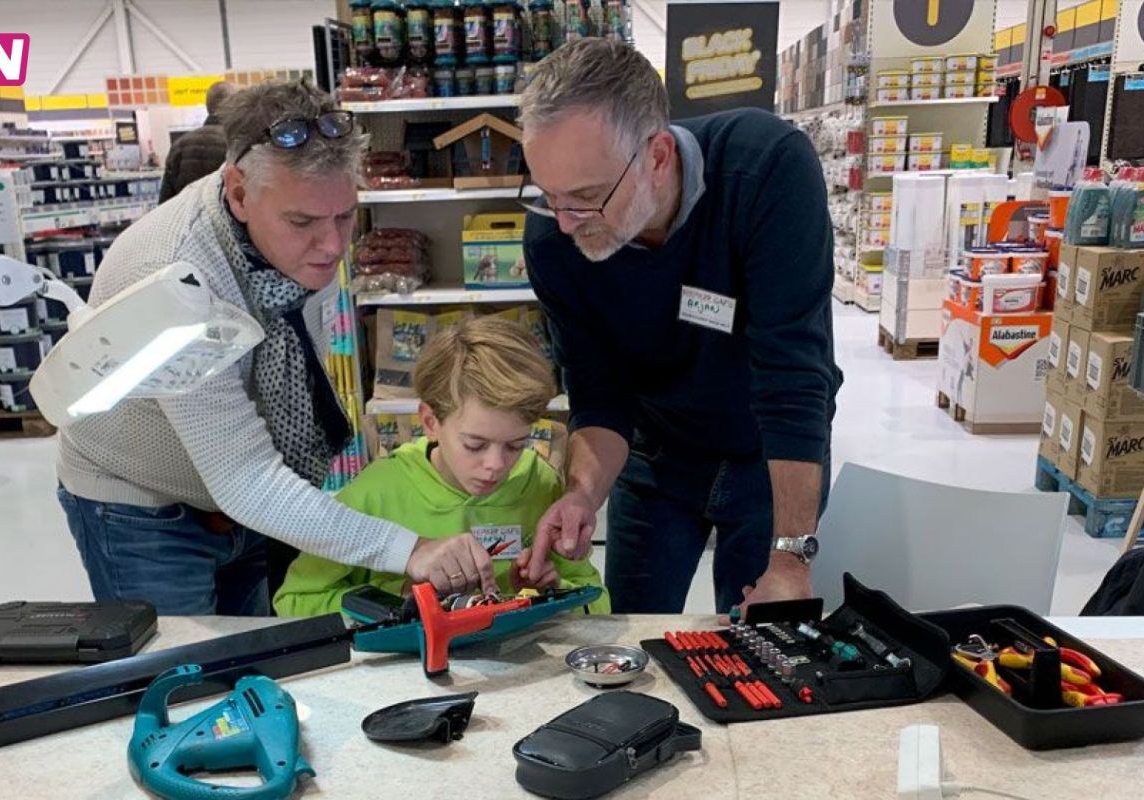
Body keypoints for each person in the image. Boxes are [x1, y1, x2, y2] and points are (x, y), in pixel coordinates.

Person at [56, 79, 500, 616]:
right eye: (303, 221)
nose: (334, 246)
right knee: (181, 676)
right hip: (141, 506)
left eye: (344, 216)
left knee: (253, 662)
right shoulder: (170, 278)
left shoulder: (298, 248)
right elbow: (245, 478)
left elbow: (267, 445)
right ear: (240, 193)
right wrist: (408, 549)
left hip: (245, 506)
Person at [516, 39, 843, 615]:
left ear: (658, 157)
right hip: (655, 456)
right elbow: (599, 391)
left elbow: (793, 379)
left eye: (587, 198)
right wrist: (582, 494)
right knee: (629, 640)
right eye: (549, 197)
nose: (565, 223)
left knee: (758, 645)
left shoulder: (766, 169)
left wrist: (791, 559)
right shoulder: (553, 238)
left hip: (768, 456)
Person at [275, 317, 610, 617]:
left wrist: (552, 595)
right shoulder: (375, 492)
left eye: (515, 445)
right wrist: (405, 599)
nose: (496, 466)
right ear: (430, 421)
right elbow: (294, 602)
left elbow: (597, 601)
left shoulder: (541, 484)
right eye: (475, 445)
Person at [158, 81, 237, 203]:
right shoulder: (237, 143)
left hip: (185, 218)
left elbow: (165, 200)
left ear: (208, 106)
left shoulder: (179, 146)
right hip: (224, 219)